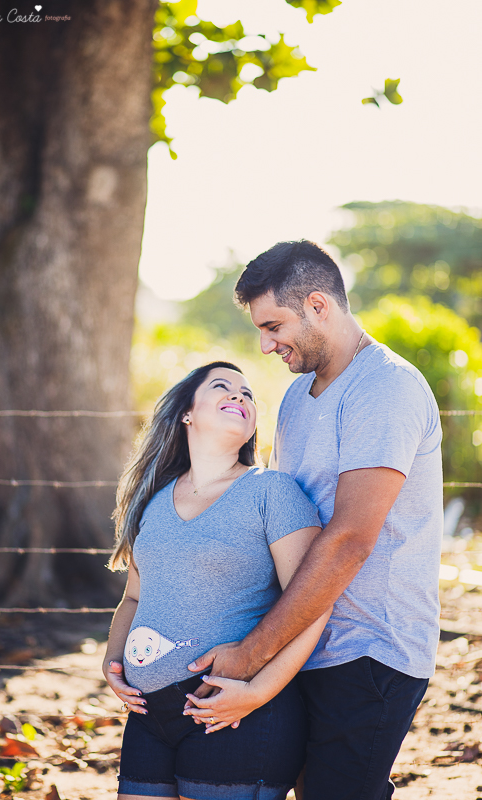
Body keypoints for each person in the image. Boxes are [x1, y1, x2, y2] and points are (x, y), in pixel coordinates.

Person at [185, 241, 443, 800]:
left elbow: (349, 539)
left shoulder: (386, 387)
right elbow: (277, 516)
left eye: (274, 325)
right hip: (301, 642)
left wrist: (250, 655)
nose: (265, 344)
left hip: (370, 647)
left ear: (319, 305)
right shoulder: (298, 397)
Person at [102, 360, 329, 800]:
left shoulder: (273, 492)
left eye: (248, 394)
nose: (239, 396)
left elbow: (314, 603)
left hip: (234, 713)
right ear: (186, 412)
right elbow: (133, 598)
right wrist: (114, 664)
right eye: (223, 387)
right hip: (149, 717)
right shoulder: (154, 501)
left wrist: (257, 692)